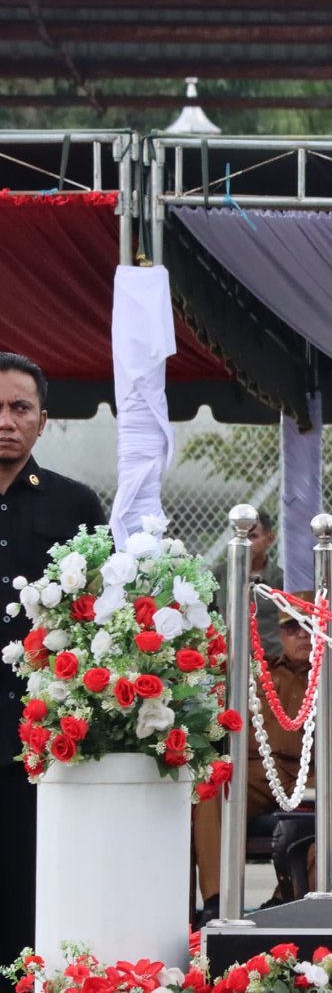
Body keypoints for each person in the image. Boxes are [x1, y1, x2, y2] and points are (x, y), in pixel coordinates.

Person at [194, 594, 332, 918]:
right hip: (256, 773)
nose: (303, 635)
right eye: (293, 628)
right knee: (212, 789)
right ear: (280, 635)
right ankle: (215, 903)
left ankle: (287, 903)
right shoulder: (259, 673)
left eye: (310, 626)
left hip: (314, 774)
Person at [0, 352, 106, 964]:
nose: (8, 420)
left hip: (39, 731)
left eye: (21, 408)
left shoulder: (74, 506)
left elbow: (99, 615)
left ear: (45, 421)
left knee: (32, 887)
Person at [213, 508, 285, 657]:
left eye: (253, 536)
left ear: (270, 539)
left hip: (270, 664)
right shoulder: (219, 575)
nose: (246, 542)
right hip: (226, 663)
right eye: (242, 535)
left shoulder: (281, 580)